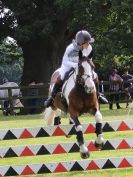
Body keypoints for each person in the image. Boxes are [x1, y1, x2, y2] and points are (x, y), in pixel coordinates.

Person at [44, 30, 108, 107]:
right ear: (81, 43)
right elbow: (65, 61)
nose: (89, 44)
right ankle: (52, 98)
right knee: (61, 77)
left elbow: (89, 59)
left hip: (82, 66)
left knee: (95, 75)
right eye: (87, 42)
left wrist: (90, 65)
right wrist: (75, 65)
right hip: (68, 65)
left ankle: (98, 95)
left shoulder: (89, 48)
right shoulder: (70, 48)